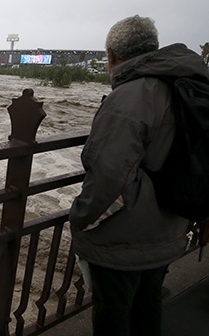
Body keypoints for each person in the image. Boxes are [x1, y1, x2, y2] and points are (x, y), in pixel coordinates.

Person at [68, 15, 209, 336]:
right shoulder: (186, 85)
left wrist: (81, 219)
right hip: (170, 228)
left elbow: (109, 177)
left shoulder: (129, 98)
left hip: (123, 242)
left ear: (112, 55)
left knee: (113, 317)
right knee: (148, 308)